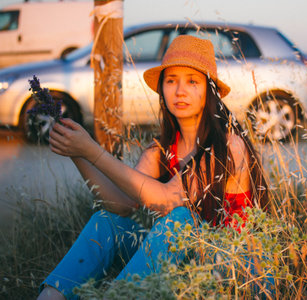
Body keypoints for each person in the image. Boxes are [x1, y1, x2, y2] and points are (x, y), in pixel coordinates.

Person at [37, 35, 269, 300]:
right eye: (171, 81)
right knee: (107, 221)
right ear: (162, 89)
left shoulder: (228, 145)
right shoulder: (163, 147)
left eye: (192, 81)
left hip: (237, 272)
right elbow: (121, 205)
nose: (180, 91)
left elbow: (166, 199)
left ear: (209, 90)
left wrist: (93, 151)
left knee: (181, 220)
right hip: (189, 265)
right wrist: (78, 153)